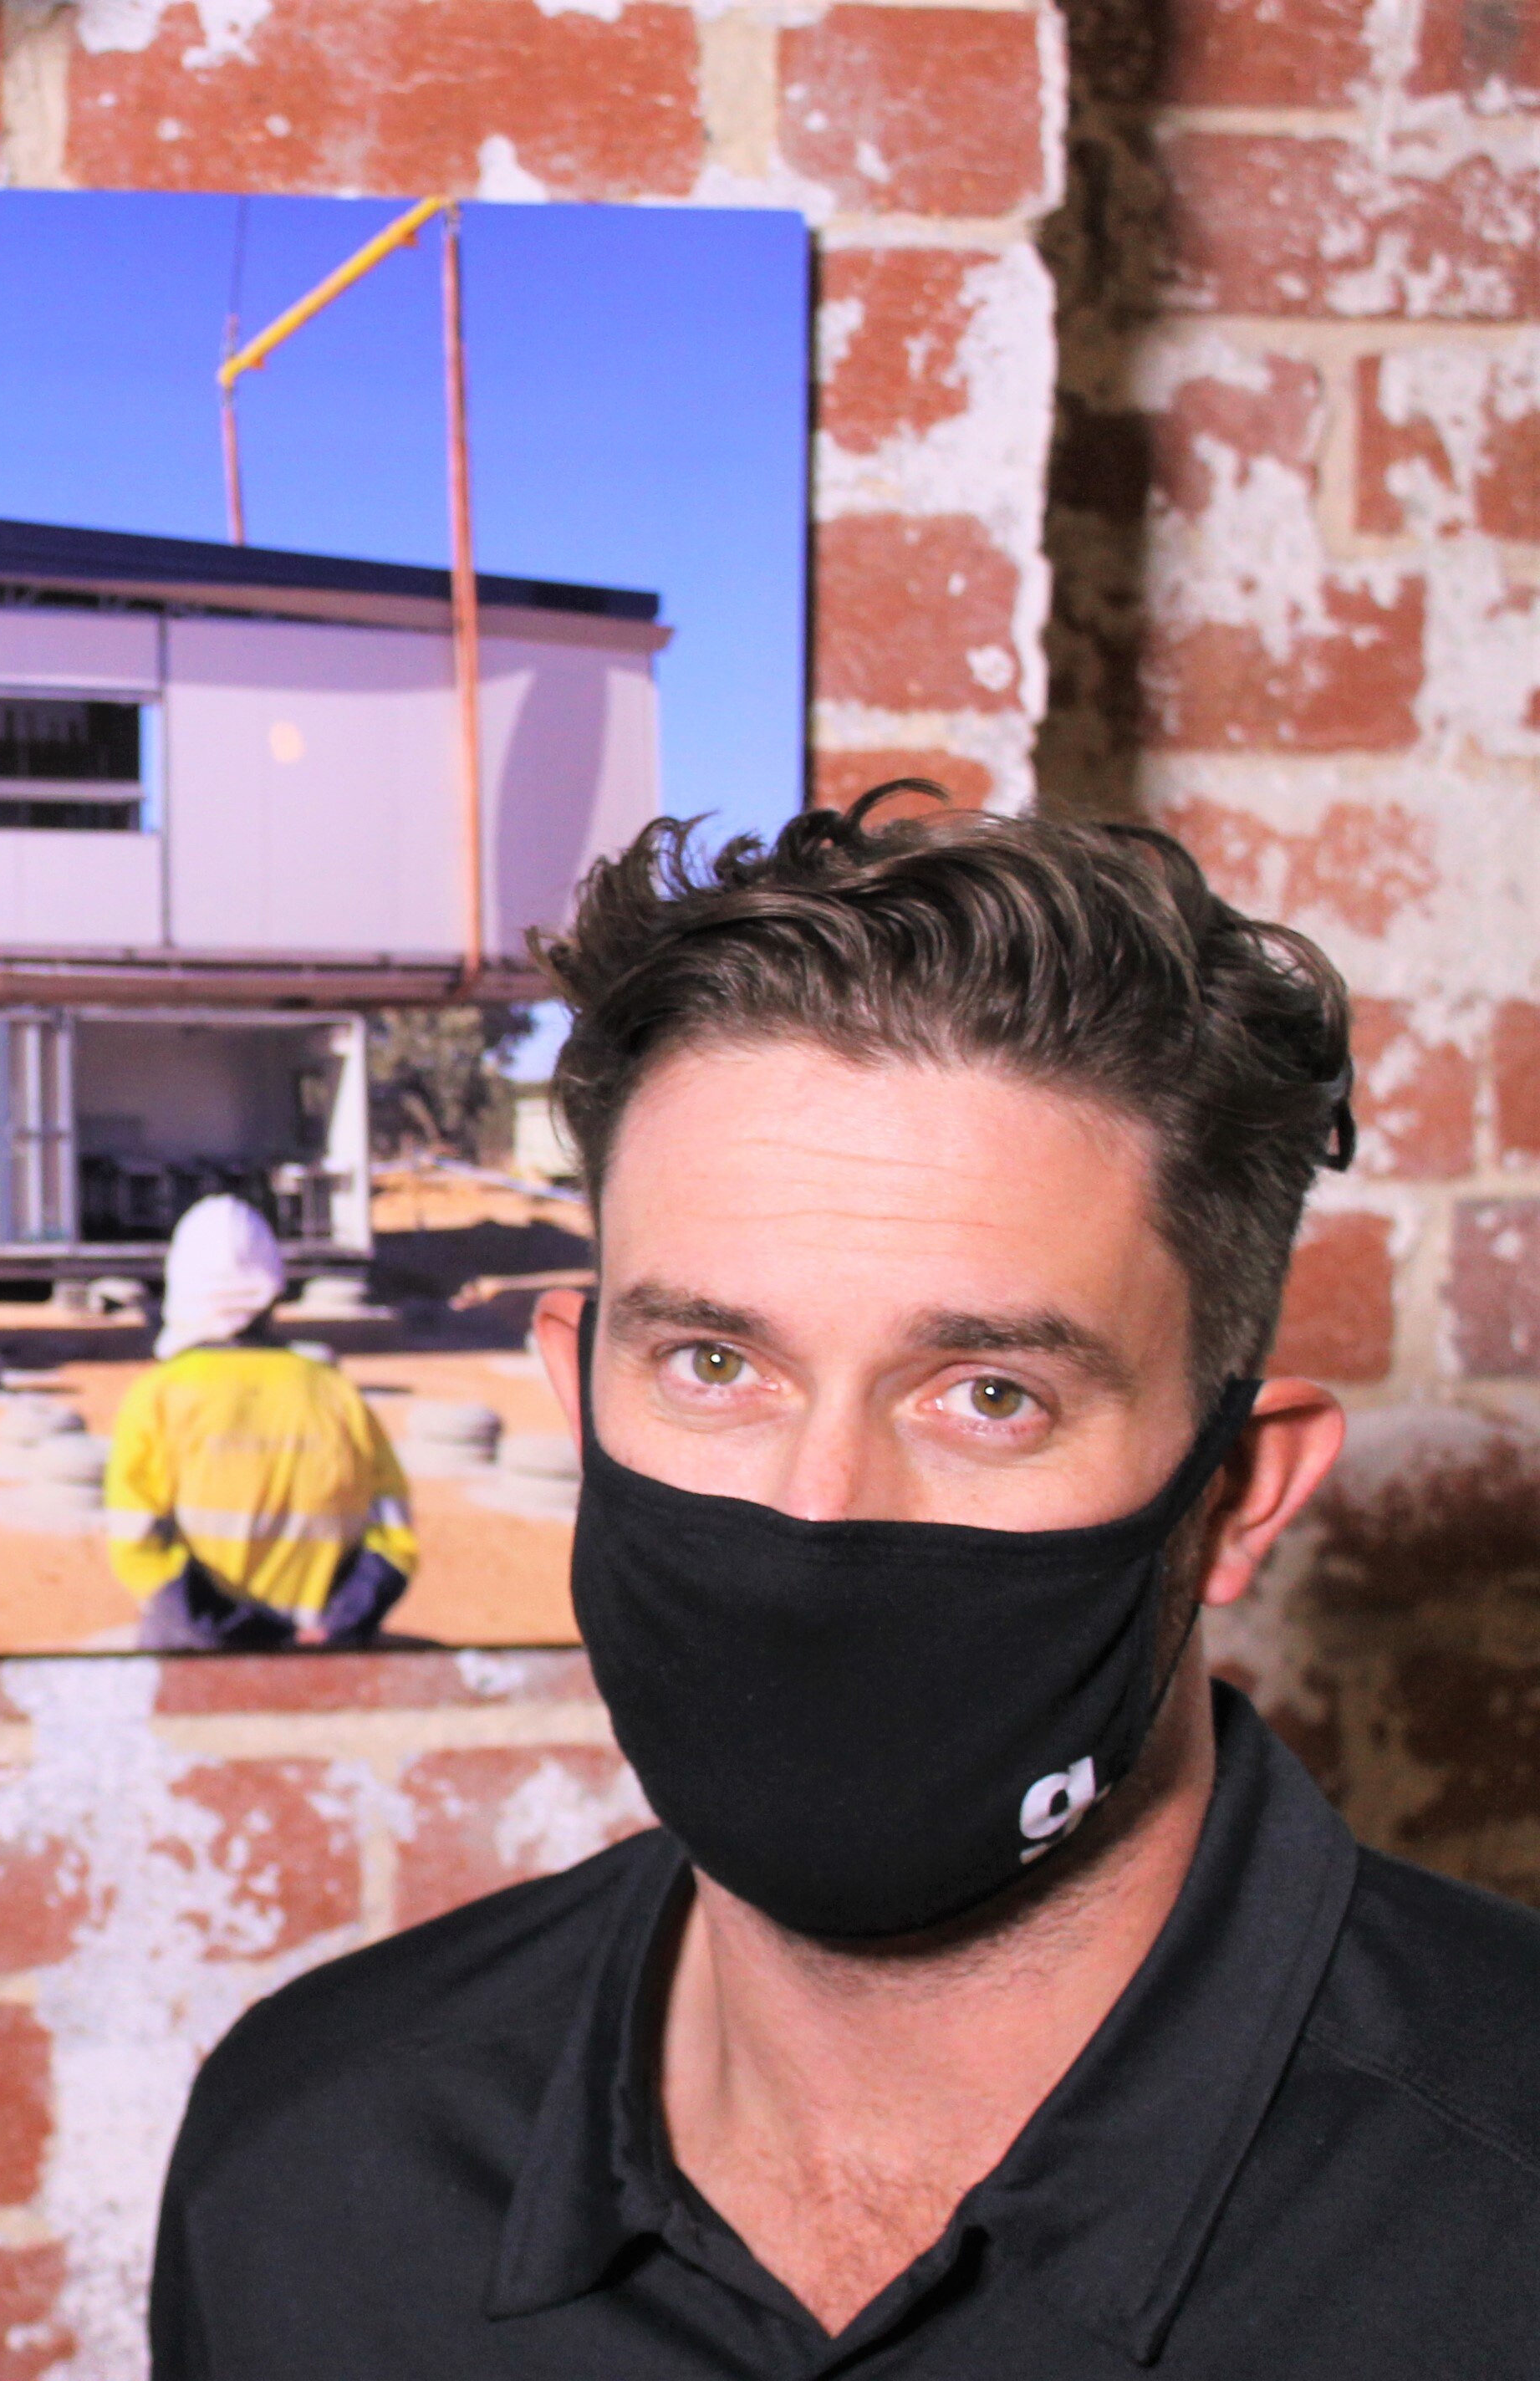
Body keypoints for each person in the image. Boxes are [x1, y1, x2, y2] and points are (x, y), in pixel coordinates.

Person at [152, 791, 1540, 2375]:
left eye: (987, 1393)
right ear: (578, 1391)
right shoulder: (309, 2162)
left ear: (1233, 1492)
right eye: (713, 1360)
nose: (814, 1511)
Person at [105, 1195, 416, 1650]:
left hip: (198, 1651)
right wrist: (334, 1626)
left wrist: (237, 1629)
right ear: (273, 1292)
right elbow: (394, 1541)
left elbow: (137, 1548)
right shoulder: (336, 1394)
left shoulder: (157, 1399)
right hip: (322, 1650)